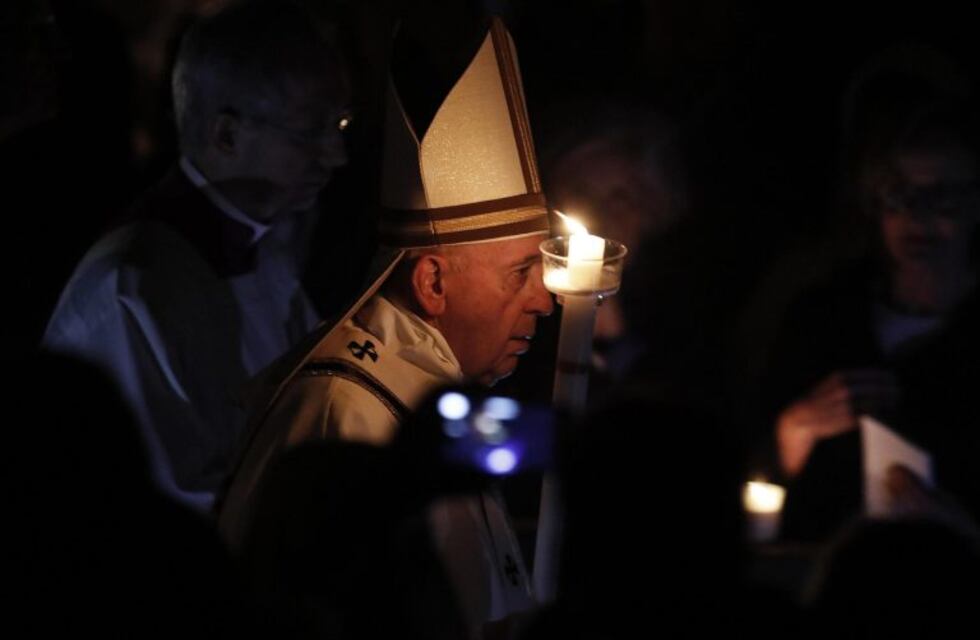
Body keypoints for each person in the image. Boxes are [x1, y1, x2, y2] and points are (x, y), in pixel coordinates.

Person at [218, 16, 552, 631]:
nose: (545, 300)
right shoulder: (343, 411)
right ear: (431, 283)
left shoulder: (444, 396)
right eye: (520, 272)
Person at [42, 1, 349, 511]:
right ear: (226, 134)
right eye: (311, 131)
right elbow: (173, 498)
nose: (337, 156)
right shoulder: (130, 287)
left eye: (340, 125)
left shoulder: (265, 250)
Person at [754, 94, 980, 540]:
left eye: (942, 197)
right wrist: (790, 434)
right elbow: (753, 482)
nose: (917, 216)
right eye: (899, 195)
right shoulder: (823, 318)